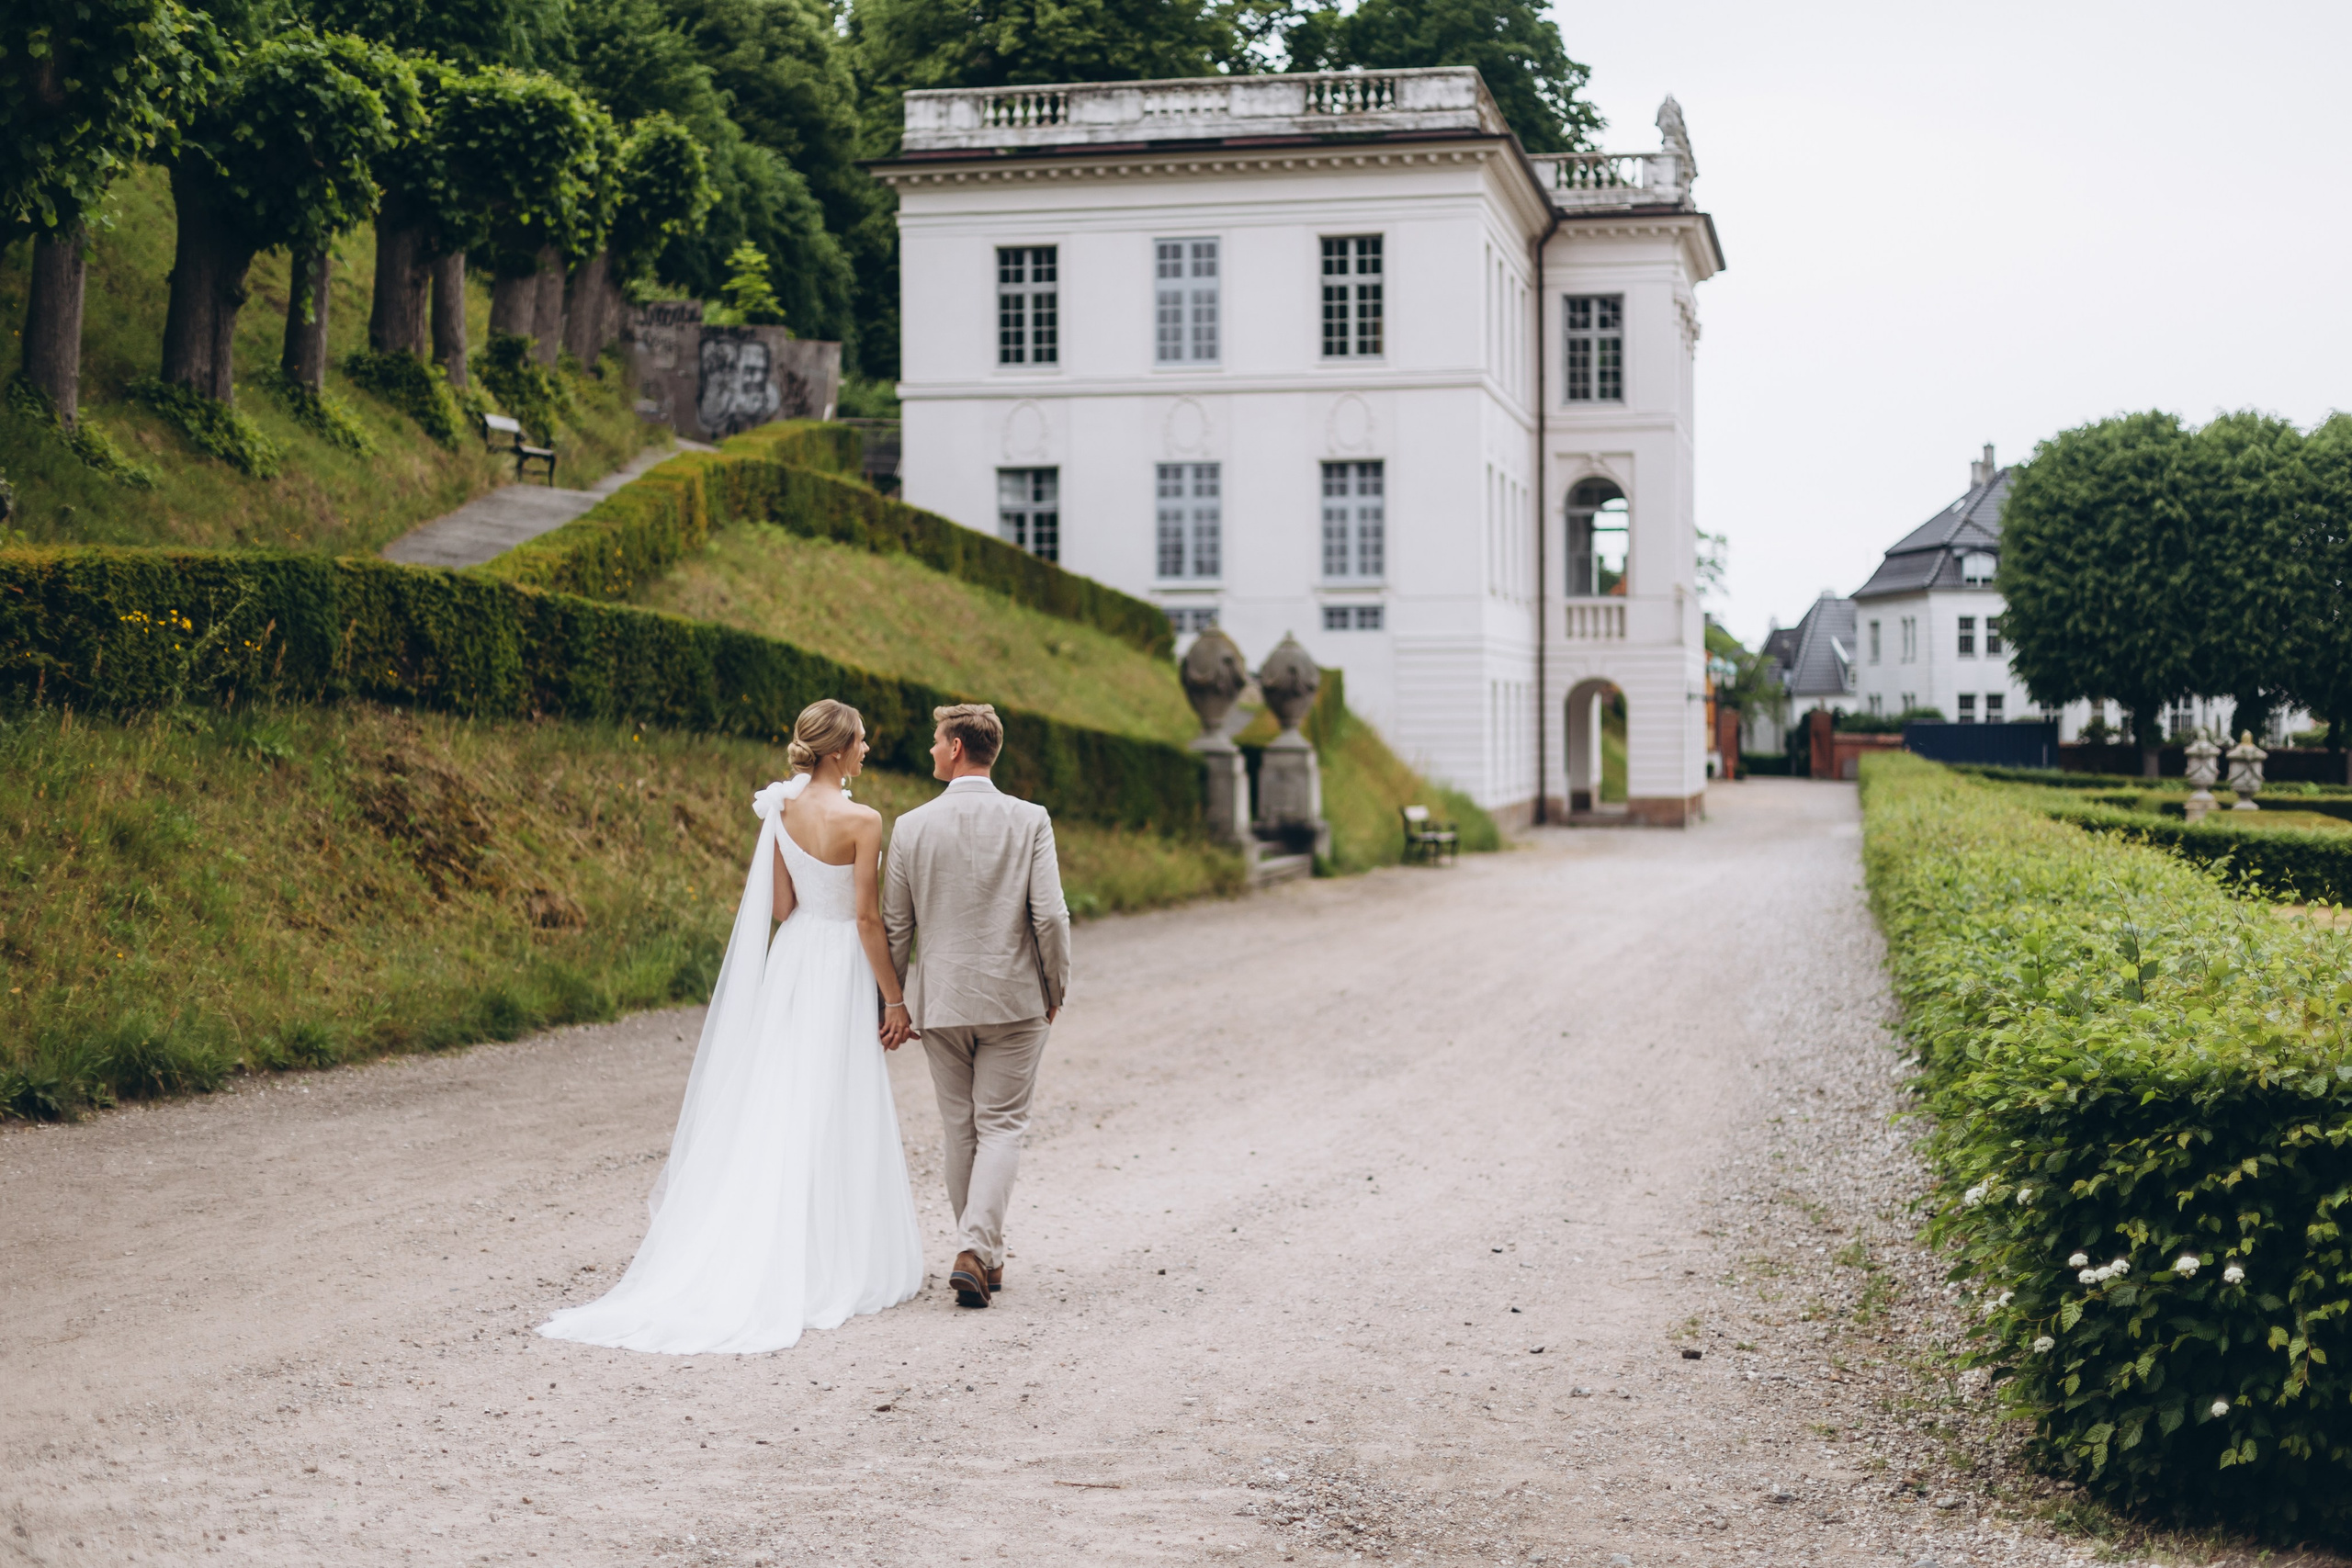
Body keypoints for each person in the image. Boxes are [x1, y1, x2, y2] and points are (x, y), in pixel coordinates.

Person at [538, 700, 922, 1354]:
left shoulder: (781, 810)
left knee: (782, 1093)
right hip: (838, 961)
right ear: (837, 751)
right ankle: (831, 1252)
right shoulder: (863, 819)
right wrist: (894, 998)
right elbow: (865, 920)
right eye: (861, 740)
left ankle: (765, 1237)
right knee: (835, 1095)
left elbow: (781, 906)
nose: (867, 749)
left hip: (796, 955)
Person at [883, 704, 1072, 1309]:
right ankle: (975, 1249)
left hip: (941, 1001)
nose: (931, 750)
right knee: (1002, 1125)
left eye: (936, 740)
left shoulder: (910, 826)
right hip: (1014, 998)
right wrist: (1055, 985)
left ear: (957, 747)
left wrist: (893, 1002)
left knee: (961, 1128)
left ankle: (981, 1254)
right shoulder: (1030, 819)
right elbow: (1051, 915)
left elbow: (895, 926)